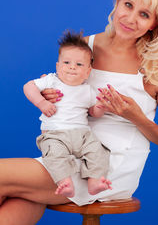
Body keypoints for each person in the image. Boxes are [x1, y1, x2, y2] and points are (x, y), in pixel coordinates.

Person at [0, 0, 158, 224]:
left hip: (106, 168)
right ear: (118, 0)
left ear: (155, 23)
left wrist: (136, 117)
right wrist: (51, 93)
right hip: (67, 151)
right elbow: (69, 95)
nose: (130, 18)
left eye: (144, 14)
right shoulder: (86, 47)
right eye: (128, 5)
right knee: (19, 203)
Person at [23, 31, 111, 198]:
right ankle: (64, 182)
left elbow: (94, 113)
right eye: (67, 62)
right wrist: (41, 102)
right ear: (57, 66)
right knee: (54, 154)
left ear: (88, 71)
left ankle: (95, 181)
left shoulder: (88, 91)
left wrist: (102, 106)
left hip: (83, 135)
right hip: (55, 134)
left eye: (79, 64)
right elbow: (28, 86)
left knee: (97, 150)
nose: (72, 67)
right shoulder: (51, 80)